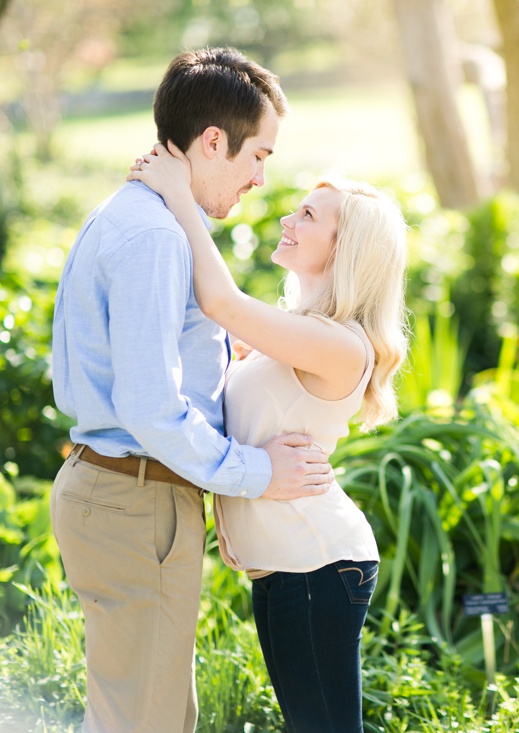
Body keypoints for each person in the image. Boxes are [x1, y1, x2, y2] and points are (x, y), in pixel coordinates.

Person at [50, 48, 336, 733]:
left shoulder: (144, 217)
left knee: (151, 716)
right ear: (213, 142)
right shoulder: (155, 236)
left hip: (130, 493)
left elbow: (143, 370)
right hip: (136, 497)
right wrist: (257, 475)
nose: (261, 178)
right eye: (257, 156)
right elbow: (151, 408)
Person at [128, 141, 409, 732]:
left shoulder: (339, 343)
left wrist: (180, 195)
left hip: (317, 564)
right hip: (287, 565)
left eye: (308, 216)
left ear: (346, 248)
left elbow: (220, 301)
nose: (288, 218)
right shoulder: (300, 337)